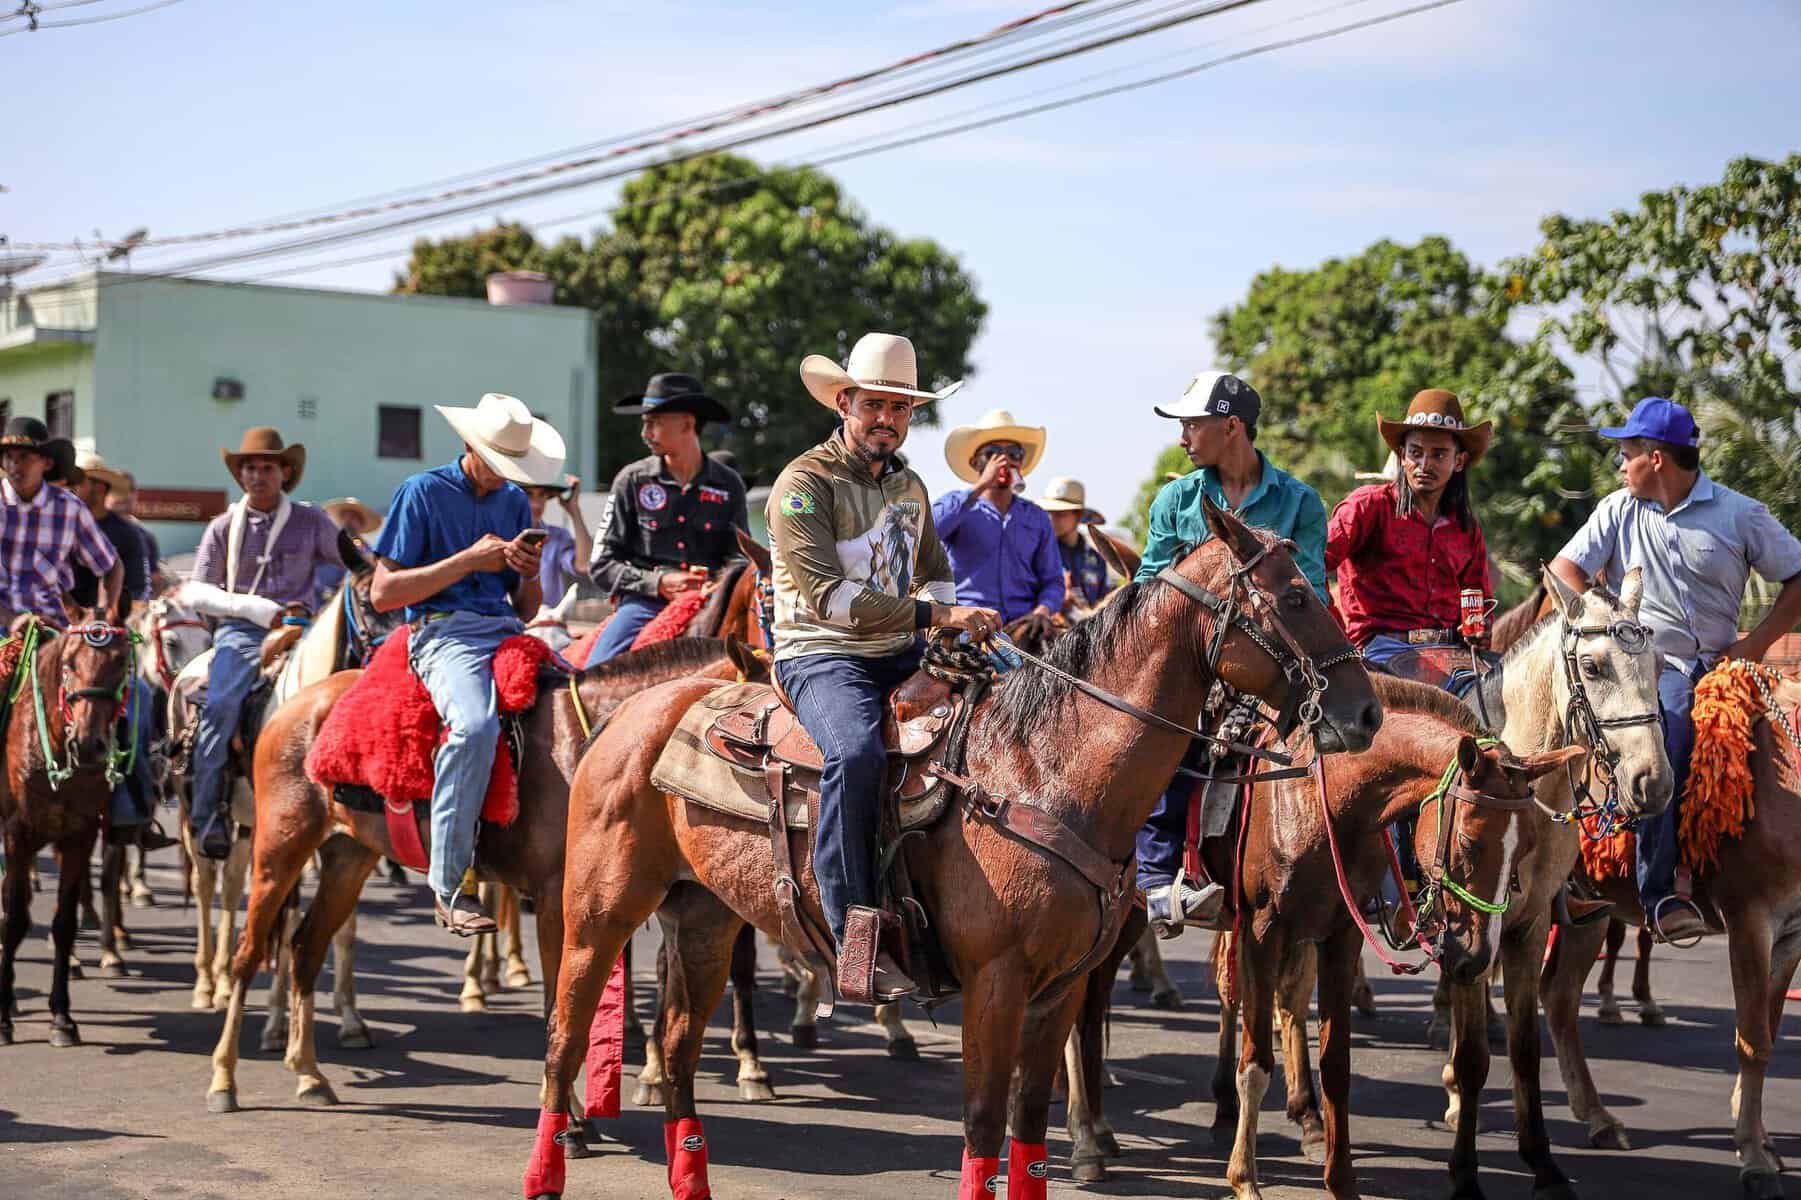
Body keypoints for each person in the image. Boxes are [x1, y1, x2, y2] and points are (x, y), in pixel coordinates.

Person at [770, 331, 996, 1001]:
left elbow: (934, 568)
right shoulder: (803, 484)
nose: (887, 419)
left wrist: (946, 636)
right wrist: (938, 618)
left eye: (900, 408)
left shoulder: (909, 484)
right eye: (874, 404)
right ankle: (851, 933)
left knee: (1008, 711)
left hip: (897, 649)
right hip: (820, 654)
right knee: (856, 753)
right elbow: (830, 600)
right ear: (843, 402)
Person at [1551, 396, 1801, 944]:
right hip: (1641, 668)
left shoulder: (1740, 513)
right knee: (1666, 725)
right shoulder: (1618, 509)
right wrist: (1601, 622)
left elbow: (1798, 575)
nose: (1620, 464)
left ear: (1657, 457)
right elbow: (1566, 569)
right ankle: (1658, 891)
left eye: (1627, 453)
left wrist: (1756, 643)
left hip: (1719, 666)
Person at [1133, 371, 1328, 936]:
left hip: (1274, 659)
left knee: (1342, 743)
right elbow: (1148, 587)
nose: (1183, 438)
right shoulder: (1175, 500)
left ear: (1231, 426)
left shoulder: (1300, 501)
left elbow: (1310, 591)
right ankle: (1156, 880)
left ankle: (1357, 880)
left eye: (1192, 425)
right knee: (1163, 735)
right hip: (1193, 660)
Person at [370, 393, 562, 936]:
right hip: (441, 631)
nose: (506, 476)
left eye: (514, 468)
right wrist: (466, 562)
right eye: (498, 463)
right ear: (468, 445)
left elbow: (527, 609)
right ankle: (450, 885)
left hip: (505, 629)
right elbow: (383, 593)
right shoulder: (421, 491)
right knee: (475, 727)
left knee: (584, 708)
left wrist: (529, 572)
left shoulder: (515, 502)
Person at [182, 428, 345, 861]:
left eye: (267, 467)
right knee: (219, 707)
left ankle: (356, 804)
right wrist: (255, 609)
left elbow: (355, 560)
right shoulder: (222, 527)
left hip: (303, 631)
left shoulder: (312, 521)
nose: (257, 475)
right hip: (242, 633)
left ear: (285, 472)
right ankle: (209, 815)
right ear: (240, 475)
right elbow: (197, 591)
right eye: (249, 468)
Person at [1327, 389, 1494, 682]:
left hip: (1451, 651)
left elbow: (1479, 599)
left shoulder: (1466, 528)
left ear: (1459, 461)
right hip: (1378, 651)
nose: (1425, 465)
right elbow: (1310, 566)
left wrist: (1480, 631)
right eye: (1416, 453)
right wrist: (1336, 637)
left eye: (1438, 454)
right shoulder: (1367, 507)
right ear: (1402, 456)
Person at [586, 372, 749, 665]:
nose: (645, 433)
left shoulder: (729, 484)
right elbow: (601, 564)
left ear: (687, 424)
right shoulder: (631, 480)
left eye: (654, 423)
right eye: (645, 423)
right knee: (596, 670)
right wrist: (658, 582)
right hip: (644, 605)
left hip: (712, 603)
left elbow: (739, 558)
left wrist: (718, 585)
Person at [68, 452, 176, 851]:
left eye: (79, 481)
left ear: (98, 487)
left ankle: (136, 808)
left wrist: (114, 619)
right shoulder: (60, 524)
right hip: (59, 630)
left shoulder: (127, 535)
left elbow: (141, 593)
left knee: (140, 700)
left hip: (110, 635)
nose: (72, 488)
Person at [931, 409, 1064, 628]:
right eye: (992, 453)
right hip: (968, 625)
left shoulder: (1037, 517)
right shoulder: (957, 504)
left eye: (1014, 453)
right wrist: (982, 484)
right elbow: (930, 530)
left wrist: (1043, 609)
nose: (1005, 460)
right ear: (975, 463)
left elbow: (1053, 580)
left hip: (1024, 625)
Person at [0, 416, 122, 631]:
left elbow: (111, 566)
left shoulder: (69, 508)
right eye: (9, 457)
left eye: (24, 457)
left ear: (47, 463)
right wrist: (10, 620)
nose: (14, 464)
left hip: (52, 626)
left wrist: (103, 613)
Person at [1038, 476, 1115, 609]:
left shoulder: (1096, 559)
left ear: (1078, 515)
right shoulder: (1038, 553)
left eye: (1060, 514)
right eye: (1049, 513)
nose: (1052, 519)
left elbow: (1104, 599)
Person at [521, 474, 590, 607]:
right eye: (528, 495)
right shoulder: (501, 534)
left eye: (542, 495)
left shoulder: (558, 536)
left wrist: (574, 510)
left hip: (548, 618)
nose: (537, 504)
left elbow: (583, 565)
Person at [310, 497, 381, 606]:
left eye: (354, 517)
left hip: (356, 599)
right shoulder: (326, 541)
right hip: (321, 598)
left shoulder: (367, 550)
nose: (349, 520)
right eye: (346, 516)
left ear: (361, 522)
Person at [106, 471, 164, 600]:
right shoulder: (91, 529)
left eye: (130, 489)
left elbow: (155, 579)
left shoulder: (146, 535)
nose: (125, 495)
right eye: (118, 489)